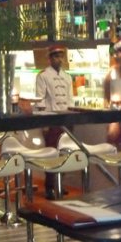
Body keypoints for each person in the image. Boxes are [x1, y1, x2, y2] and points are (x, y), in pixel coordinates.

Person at [36, 45, 73, 199]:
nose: (59, 59)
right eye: (56, 56)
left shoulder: (67, 77)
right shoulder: (43, 76)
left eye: (61, 56)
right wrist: (44, 124)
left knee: (64, 153)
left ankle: (60, 183)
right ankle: (49, 187)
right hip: (51, 120)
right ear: (50, 59)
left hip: (66, 119)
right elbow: (40, 100)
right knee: (51, 154)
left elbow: (70, 99)